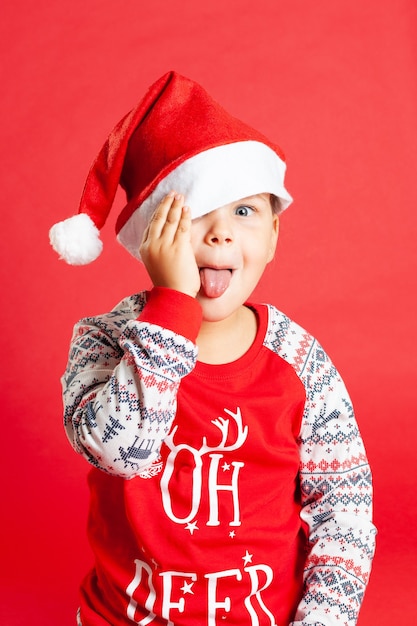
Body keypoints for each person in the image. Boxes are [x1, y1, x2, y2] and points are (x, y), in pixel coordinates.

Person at [50, 71, 376, 626]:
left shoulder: (301, 362)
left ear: (274, 235)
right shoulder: (103, 341)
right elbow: (121, 451)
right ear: (150, 235)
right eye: (195, 212)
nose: (220, 234)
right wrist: (172, 306)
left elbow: (343, 509)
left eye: (244, 212)